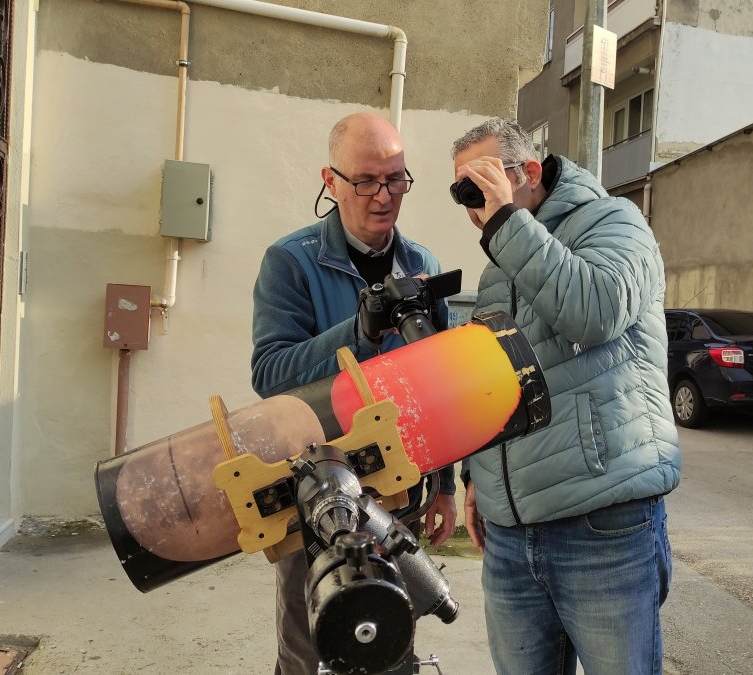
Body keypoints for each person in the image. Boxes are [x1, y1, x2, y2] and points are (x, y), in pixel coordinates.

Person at [450, 118, 682, 675]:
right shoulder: (501, 262)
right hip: (511, 536)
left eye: (478, 183)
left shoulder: (616, 222)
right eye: (461, 188)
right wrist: (478, 481)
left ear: (528, 172)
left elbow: (594, 310)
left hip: (601, 527)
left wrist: (506, 222)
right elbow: (492, 380)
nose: (471, 203)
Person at [251, 111, 458, 675]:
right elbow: (270, 374)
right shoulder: (289, 262)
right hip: (314, 492)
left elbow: (435, 389)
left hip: (396, 491)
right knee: (308, 648)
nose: (384, 195)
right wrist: (358, 334)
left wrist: (444, 487)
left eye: (396, 179)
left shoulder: (421, 266)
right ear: (331, 180)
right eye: (366, 180)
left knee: (388, 643)